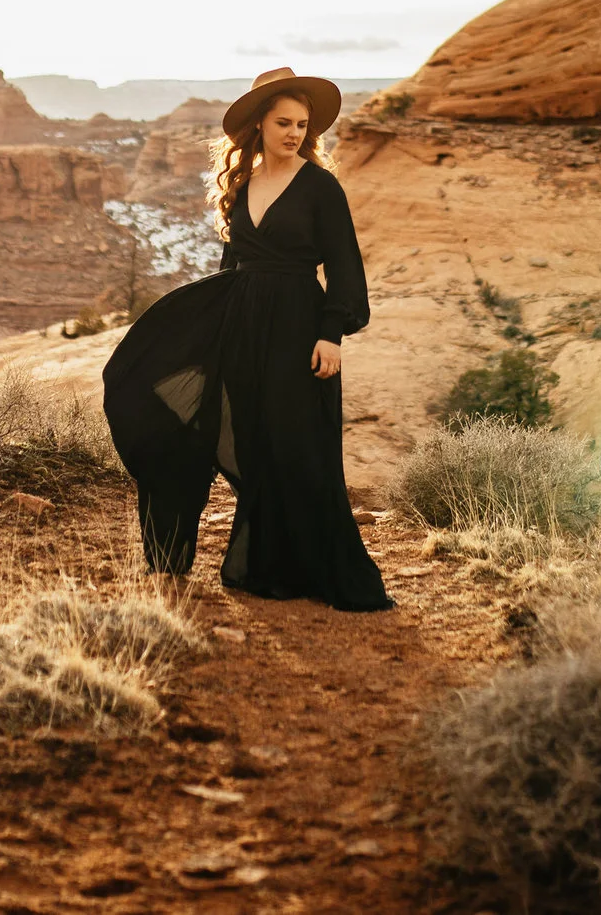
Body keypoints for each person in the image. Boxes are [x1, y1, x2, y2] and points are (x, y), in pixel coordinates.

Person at [101, 67, 393, 612]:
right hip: (242, 325)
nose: (294, 134)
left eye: (303, 125)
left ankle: (319, 567)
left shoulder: (321, 187)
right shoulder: (243, 184)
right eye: (284, 122)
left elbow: (347, 271)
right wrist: (207, 325)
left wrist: (331, 335)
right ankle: (260, 565)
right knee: (247, 438)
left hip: (297, 330)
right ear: (259, 123)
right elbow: (232, 263)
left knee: (297, 444)